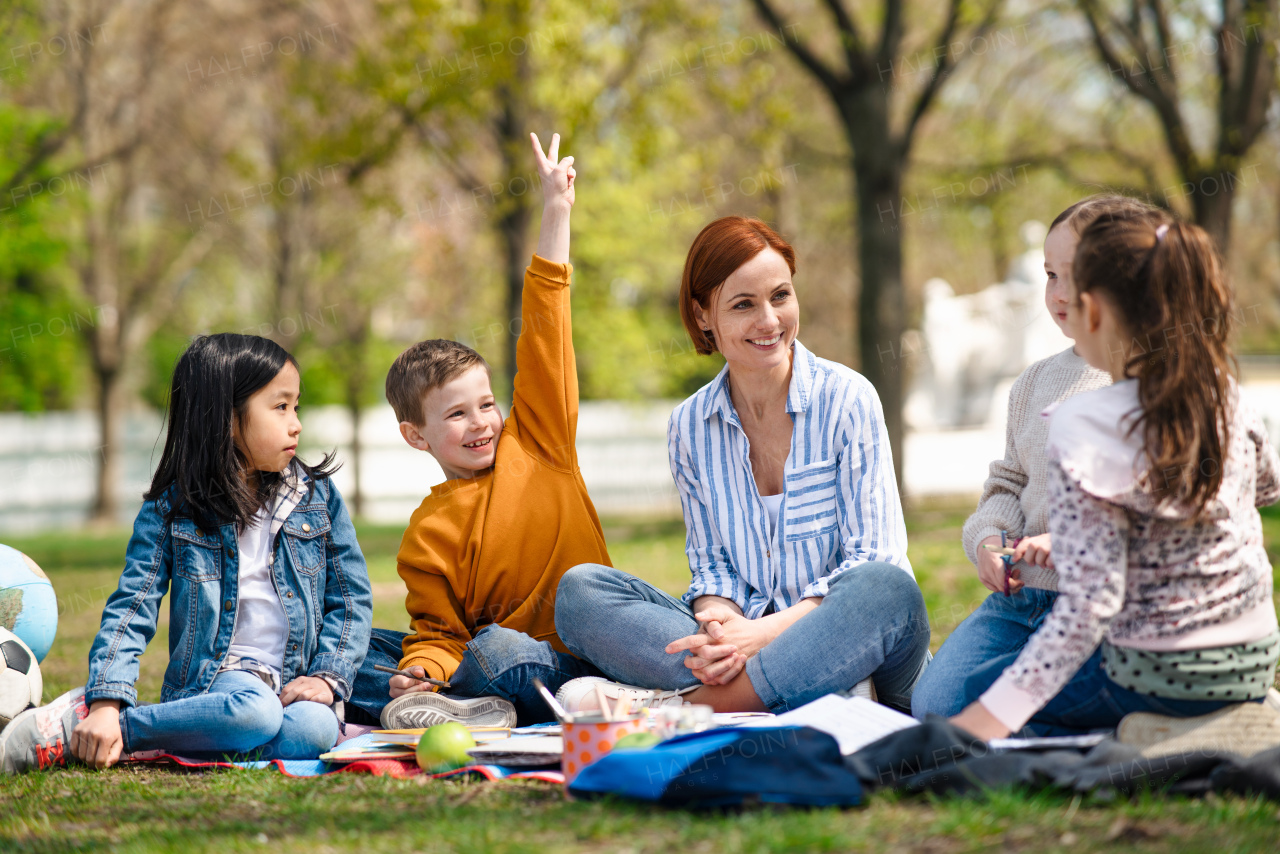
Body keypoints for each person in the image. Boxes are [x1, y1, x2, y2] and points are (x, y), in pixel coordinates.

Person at [553, 216, 930, 715]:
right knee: (581, 592)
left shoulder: (848, 399)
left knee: (885, 588)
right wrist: (718, 627)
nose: (770, 321)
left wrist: (759, 635)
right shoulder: (690, 426)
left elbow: (872, 558)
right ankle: (792, 693)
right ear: (703, 315)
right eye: (743, 305)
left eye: (780, 296)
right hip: (746, 644)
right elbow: (713, 569)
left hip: (862, 643)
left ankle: (694, 704)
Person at [950, 209, 1280, 740]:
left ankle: (1159, 734)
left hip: (1158, 669)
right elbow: (1265, 489)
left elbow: (1089, 608)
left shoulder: (1081, 422)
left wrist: (979, 725)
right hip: (1254, 658)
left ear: (1094, 310)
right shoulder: (1223, 391)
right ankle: (1230, 715)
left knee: (976, 694)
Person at [0, 335, 371, 772]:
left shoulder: (317, 497)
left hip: (293, 682)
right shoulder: (173, 507)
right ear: (225, 417)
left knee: (314, 730)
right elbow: (133, 607)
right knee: (256, 714)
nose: (296, 424)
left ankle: (138, 736)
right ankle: (95, 722)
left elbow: (351, 600)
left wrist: (327, 678)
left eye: (297, 407)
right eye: (280, 407)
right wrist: (105, 701)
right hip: (222, 682)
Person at [348, 132, 609, 729]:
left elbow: (546, 335)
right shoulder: (427, 531)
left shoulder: (541, 444)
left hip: (568, 663)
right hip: (480, 668)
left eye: (486, 405)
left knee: (499, 650)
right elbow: (439, 633)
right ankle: (442, 702)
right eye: (457, 414)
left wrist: (556, 211)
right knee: (345, 648)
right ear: (417, 436)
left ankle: (454, 707)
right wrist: (422, 669)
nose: (481, 424)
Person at [911, 196, 1154, 720]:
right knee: (935, 704)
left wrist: (1067, 542)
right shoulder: (1034, 382)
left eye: (1075, 277)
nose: (1059, 295)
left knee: (990, 714)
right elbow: (1006, 482)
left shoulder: (1148, 380)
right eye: (1049, 276)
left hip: (1098, 606)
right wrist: (987, 542)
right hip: (1019, 603)